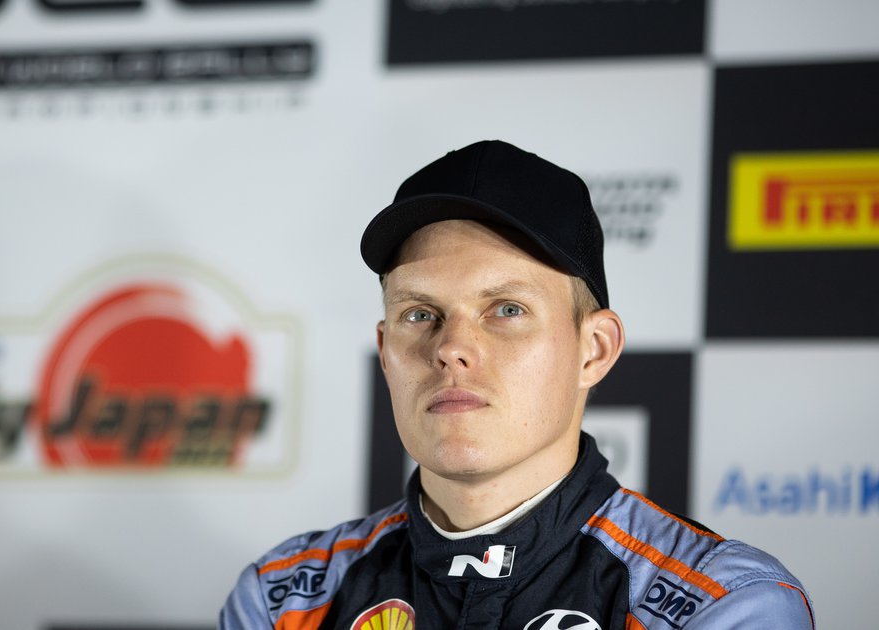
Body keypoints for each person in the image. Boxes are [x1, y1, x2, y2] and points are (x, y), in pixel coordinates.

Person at [218, 140, 815, 629]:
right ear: (384, 353)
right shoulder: (282, 600)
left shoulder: (721, 607)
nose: (450, 347)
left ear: (594, 350)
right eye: (420, 314)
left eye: (507, 309)